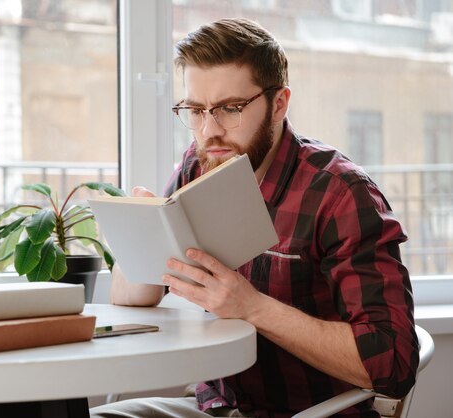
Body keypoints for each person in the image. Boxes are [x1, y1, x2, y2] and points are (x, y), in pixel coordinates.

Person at [91, 17, 418, 418]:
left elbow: (394, 364)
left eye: (230, 109)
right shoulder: (200, 165)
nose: (210, 131)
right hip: (215, 405)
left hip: (311, 412)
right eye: (196, 110)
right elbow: (132, 298)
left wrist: (252, 307)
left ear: (279, 103)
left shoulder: (340, 193)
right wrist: (138, 239)